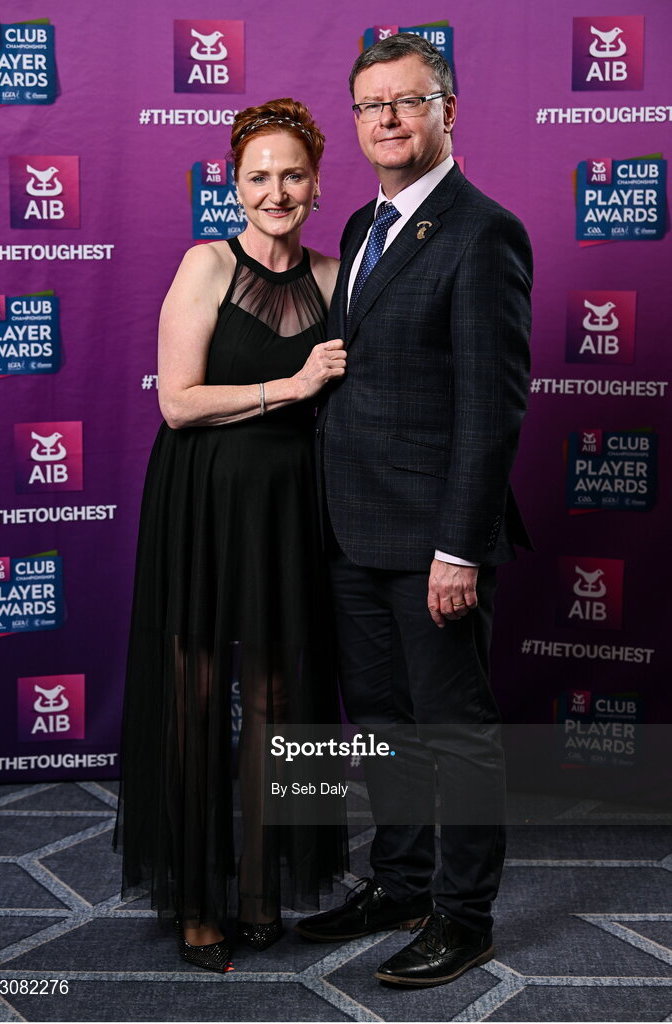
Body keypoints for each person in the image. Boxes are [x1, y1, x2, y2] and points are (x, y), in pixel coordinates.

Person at [296, 34, 533, 988]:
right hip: (351, 528)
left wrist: (458, 549)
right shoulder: (359, 226)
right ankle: (396, 881)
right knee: (383, 722)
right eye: (369, 106)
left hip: (431, 540)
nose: (387, 119)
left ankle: (464, 915)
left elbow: (492, 404)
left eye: (407, 101)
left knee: (453, 731)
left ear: (447, 111)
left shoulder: (483, 232)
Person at [114, 98, 348, 973]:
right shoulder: (205, 265)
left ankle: (258, 891)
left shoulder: (335, 277)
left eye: (292, 174)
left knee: (282, 705)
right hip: (203, 504)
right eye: (258, 176)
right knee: (198, 701)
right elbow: (177, 402)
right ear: (233, 183)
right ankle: (197, 900)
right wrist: (290, 387)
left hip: (292, 512)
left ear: (317, 183)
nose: (276, 190)